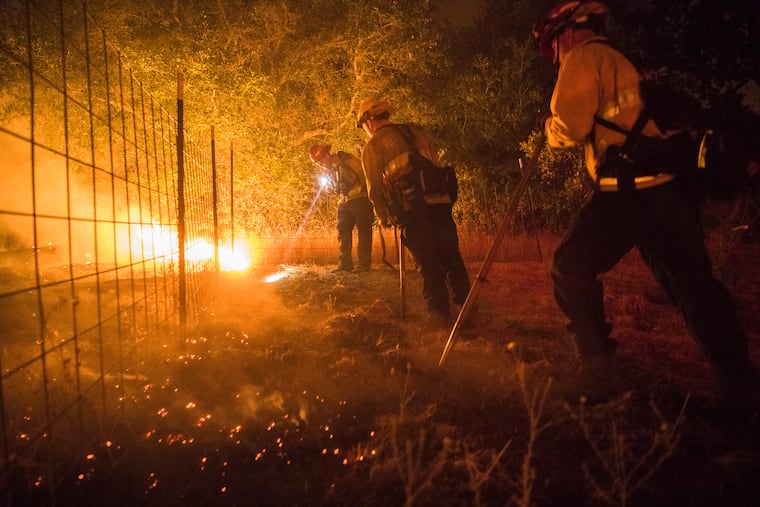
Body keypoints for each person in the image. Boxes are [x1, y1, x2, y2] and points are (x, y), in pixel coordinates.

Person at [534, 0, 759, 408]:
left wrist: (550, 129)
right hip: (669, 191)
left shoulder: (584, 57)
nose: (557, 55)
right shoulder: (624, 61)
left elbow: (570, 128)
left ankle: (597, 369)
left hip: (630, 190)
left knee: (569, 265)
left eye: (554, 47)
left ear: (565, 34)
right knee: (692, 284)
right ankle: (738, 379)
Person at [356, 98, 470, 327]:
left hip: (412, 207)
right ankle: (467, 306)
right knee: (450, 254)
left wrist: (383, 216)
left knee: (427, 259)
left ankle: (438, 313)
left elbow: (374, 189)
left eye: (363, 124)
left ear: (368, 120)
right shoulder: (414, 130)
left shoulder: (374, 146)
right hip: (440, 200)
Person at [309, 144, 374, 272]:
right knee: (343, 232)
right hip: (344, 201)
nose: (320, 164)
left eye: (320, 161)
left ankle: (364, 265)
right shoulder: (328, 170)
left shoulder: (347, 160)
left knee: (364, 231)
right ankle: (345, 263)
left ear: (327, 155)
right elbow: (331, 189)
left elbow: (364, 174)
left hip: (360, 198)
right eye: (317, 163)